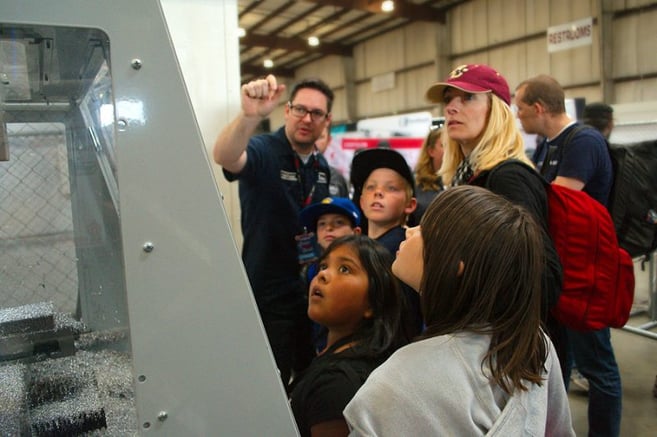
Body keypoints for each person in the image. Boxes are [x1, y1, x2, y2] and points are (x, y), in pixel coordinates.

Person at [343, 185, 574, 436]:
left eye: (426, 229)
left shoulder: (397, 383)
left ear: (456, 265)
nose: (410, 231)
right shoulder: (534, 344)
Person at [213, 74, 333, 390]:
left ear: (326, 120)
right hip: (268, 296)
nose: (307, 118)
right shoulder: (265, 150)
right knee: (270, 385)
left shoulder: (322, 168)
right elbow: (225, 156)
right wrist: (249, 116)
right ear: (287, 111)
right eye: (300, 109)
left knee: (311, 382)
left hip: (311, 295)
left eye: (316, 113)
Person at [515, 74, 620, 437]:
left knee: (597, 366)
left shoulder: (584, 142)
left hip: (585, 269)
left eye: (521, 108)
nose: (518, 116)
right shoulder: (547, 145)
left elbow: (554, 202)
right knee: (559, 360)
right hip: (560, 266)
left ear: (539, 108)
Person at [424, 64, 563, 331]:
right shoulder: (468, 176)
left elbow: (543, 278)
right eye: (448, 99)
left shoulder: (508, 177)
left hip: (509, 345)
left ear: (497, 110)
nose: (452, 107)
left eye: (467, 98)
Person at [289, 235, 407, 437]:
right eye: (323, 266)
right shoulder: (342, 358)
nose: (323, 275)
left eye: (344, 269)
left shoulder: (336, 385)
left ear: (372, 303)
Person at [350, 148, 422, 337]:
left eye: (391, 188)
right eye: (370, 187)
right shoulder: (359, 246)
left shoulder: (401, 249)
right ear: (362, 200)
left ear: (410, 205)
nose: (378, 193)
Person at [299, 196, 362, 352]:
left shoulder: (364, 269)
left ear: (356, 232)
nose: (329, 228)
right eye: (322, 224)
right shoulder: (311, 270)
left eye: (339, 222)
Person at [410, 126, 445, 225]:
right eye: (444, 145)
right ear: (431, 151)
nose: (450, 150)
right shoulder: (417, 183)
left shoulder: (461, 179)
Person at [315, 125, 349, 197]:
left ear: (329, 140)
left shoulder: (337, 177)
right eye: (313, 136)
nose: (315, 142)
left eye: (320, 137)